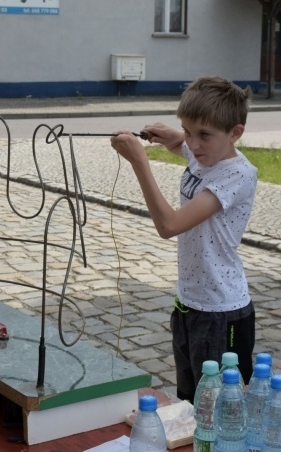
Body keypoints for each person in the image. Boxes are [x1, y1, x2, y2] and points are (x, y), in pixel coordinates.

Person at [110, 75, 257, 401]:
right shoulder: (206, 153)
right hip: (190, 304)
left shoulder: (235, 174)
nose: (194, 144)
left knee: (221, 409)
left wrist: (139, 162)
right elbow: (189, 147)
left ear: (235, 133)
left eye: (204, 134)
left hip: (222, 312)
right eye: (189, 132)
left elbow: (169, 225)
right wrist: (174, 136)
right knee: (190, 403)